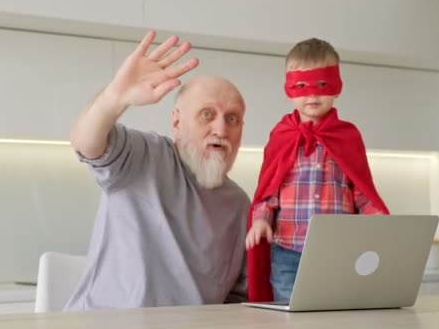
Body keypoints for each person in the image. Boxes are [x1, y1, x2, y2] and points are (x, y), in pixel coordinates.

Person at [64, 30, 251, 310]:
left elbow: (236, 303)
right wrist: (115, 97)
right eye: (207, 114)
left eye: (232, 118)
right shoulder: (144, 157)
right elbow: (86, 142)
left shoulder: (239, 205)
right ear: (176, 122)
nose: (221, 129)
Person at [245, 38, 390, 302]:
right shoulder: (281, 136)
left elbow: (361, 191)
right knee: (291, 316)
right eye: (301, 85)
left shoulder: (348, 136)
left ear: (338, 87)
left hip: (338, 252)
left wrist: (377, 217)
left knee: (336, 312)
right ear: (289, 89)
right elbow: (268, 192)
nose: (312, 94)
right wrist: (260, 220)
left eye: (323, 84)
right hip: (288, 250)